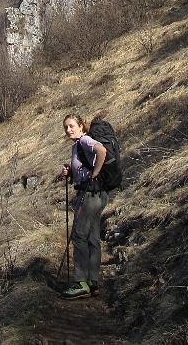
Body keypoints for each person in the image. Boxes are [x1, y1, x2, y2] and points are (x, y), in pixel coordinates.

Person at [56, 113, 108, 299]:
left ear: (81, 126)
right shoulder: (80, 144)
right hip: (97, 194)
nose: (68, 130)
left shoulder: (85, 140)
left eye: (71, 126)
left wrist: (95, 174)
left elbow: (101, 151)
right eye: (66, 127)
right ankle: (92, 282)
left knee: (79, 237)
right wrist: (70, 172)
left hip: (89, 195)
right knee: (93, 238)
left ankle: (81, 282)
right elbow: (85, 166)